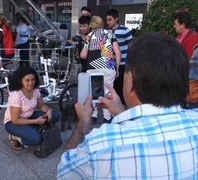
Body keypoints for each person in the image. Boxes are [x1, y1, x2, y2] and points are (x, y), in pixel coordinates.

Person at [57, 32, 198, 179]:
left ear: (130, 81)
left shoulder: (101, 144)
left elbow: (64, 172)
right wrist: (122, 113)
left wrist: (83, 122)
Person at [3, 66, 60, 150]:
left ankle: (30, 130)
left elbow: (41, 105)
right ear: (20, 80)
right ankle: (14, 137)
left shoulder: (35, 90)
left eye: (33, 79)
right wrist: (36, 121)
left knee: (55, 115)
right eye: (27, 80)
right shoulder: (16, 95)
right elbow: (15, 120)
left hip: (28, 117)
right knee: (36, 139)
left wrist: (48, 110)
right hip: (13, 123)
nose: (31, 83)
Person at [80, 15, 121, 124]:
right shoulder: (110, 33)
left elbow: (83, 55)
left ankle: (93, 116)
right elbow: (118, 53)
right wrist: (117, 69)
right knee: (107, 92)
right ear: (102, 24)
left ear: (91, 26)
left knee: (95, 91)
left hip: (92, 67)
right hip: (108, 66)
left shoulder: (88, 36)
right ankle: (107, 118)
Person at [105, 9, 133, 105]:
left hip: (123, 62)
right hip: (110, 62)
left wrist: (130, 59)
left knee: (121, 84)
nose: (108, 22)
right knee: (112, 84)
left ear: (116, 19)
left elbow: (131, 45)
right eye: (107, 20)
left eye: (110, 19)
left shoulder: (125, 30)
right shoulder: (106, 31)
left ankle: (122, 103)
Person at [174, 12, 198, 109]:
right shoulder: (181, 36)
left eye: (176, 24)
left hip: (187, 80)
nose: (174, 26)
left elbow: (189, 61)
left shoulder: (192, 38)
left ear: (183, 25)